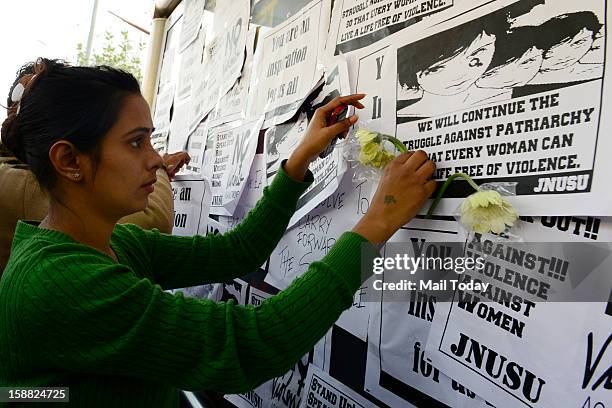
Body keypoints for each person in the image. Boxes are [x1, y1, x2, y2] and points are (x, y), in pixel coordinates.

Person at [0, 58, 436, 406]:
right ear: (70, 161)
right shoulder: (61, 283)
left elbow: (236, 252)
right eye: (136, 143)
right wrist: (376, 224)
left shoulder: (112, 244)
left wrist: (300, 157)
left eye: (151, 140)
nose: (156, 160)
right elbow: (250, 345)